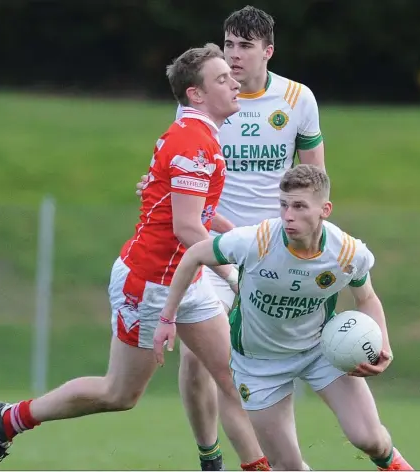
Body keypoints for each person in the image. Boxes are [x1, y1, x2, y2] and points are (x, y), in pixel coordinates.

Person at [0, 44, 270, 472]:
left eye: (232, 75)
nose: (235, 82)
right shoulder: (193, 140)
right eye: (222, 78)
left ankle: (246, 466)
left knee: (231, 377)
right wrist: (232, 274)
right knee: (119, 394)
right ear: (196, 94)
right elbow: (187, 228)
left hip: (185, 281)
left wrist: (249, 236)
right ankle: (8, 420)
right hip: (150, 283)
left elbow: (196, 213)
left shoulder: (203, 135)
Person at [137, 6, 324, 471]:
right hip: (212, 248)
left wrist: (314, 241)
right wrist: (154, 183)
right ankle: (211, 455)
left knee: (262, 367)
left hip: (274, 253)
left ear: (268, 51)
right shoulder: (205, 97)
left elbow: (315, 179)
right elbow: (178, 159)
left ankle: (280, 459)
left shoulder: (297, 99)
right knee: (202, 361)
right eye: (229, 45)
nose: (234, 56)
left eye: (245, 46)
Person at [153, 164, 414, 472]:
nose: (288, 215)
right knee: (288, 466)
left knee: (370, 439)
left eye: (299, 206)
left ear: (324, 210)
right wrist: (167, 317)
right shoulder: (257, 241)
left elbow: (367, 298)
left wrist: (383, 344)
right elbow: (195, 254)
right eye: (284, 204)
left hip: (320, 352)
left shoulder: (346, 252)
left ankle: (395, 464)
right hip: (259, 365)